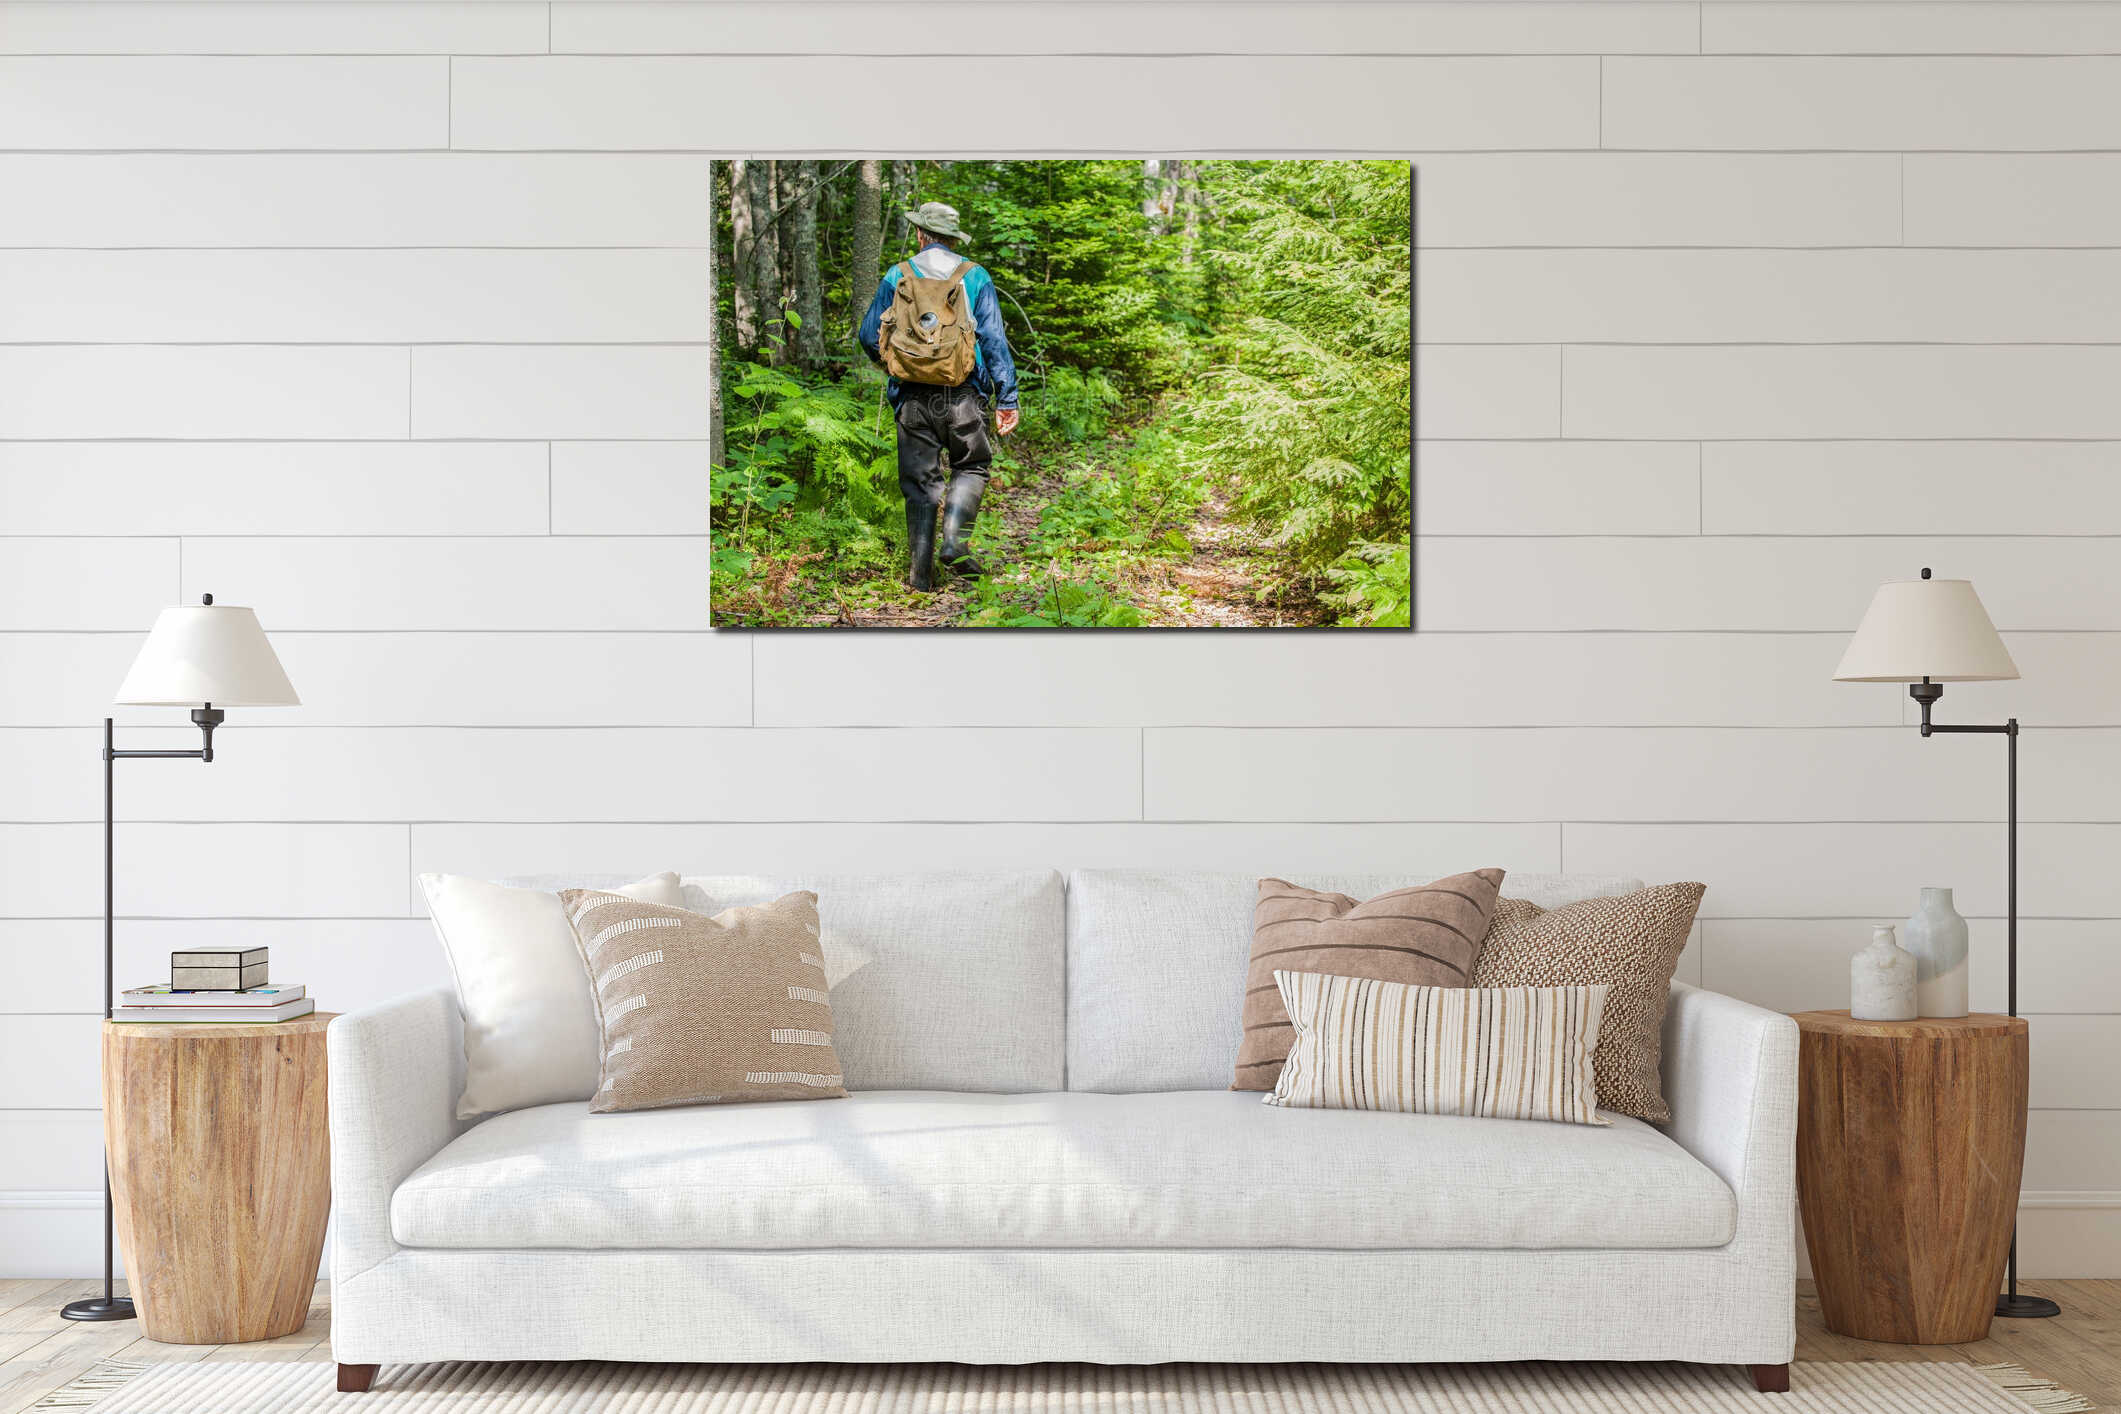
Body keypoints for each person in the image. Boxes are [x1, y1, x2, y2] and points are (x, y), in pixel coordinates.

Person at [857, 200, 1019, 591]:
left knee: (920, 484)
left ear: (919, 234)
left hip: (912, 397)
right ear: (952, 237)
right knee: (972, 464)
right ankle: (954, 544)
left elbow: (867, 335)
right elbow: (993, 340)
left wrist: (900, 365)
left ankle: (920, 579)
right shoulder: (974, 275)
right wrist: (1007, 397)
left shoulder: (898, 275)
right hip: (964, 393)